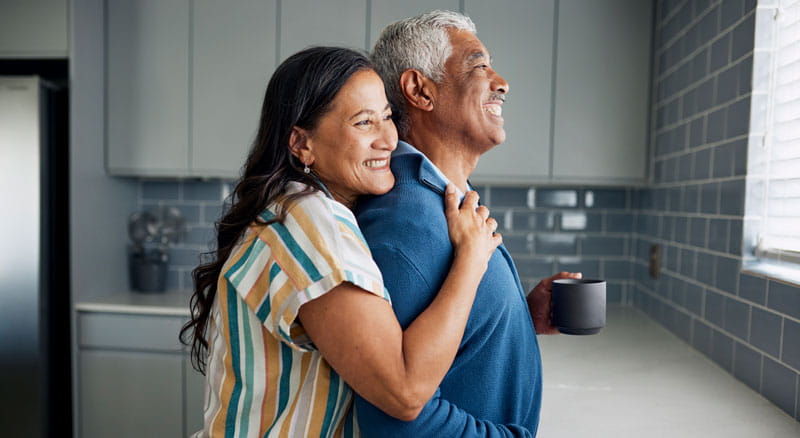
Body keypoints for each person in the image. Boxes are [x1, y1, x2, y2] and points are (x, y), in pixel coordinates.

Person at [180, 46, 504, 437]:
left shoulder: (300, 209)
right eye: (363, 123)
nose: (388, 138)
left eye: (387, 116)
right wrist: (471, 261)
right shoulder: (310, 223)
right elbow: (404, 391)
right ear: (302, 144)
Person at [353, 10, 581, 437]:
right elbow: (398, 425)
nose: (502, 82)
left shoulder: (443, 197)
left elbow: (444, 341)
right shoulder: (408, 224)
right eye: (479, 65)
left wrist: (515, 317)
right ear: (420, 90)